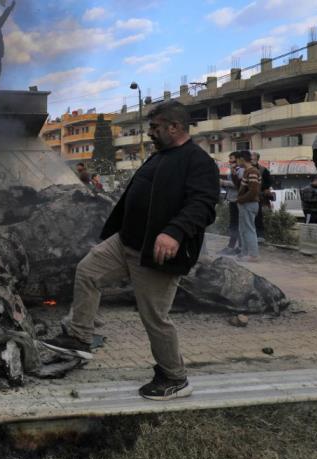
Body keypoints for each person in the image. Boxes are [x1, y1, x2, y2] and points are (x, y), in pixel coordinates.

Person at [41, 101, 219, 401]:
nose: (150, 133)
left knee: (155, 318)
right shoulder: (160, 156)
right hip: (126, 242)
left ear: (174, 127)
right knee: (88, 271)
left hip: (157, 254)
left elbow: (203, 205)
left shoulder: (197, 161)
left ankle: (175, 377)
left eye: (155, 127)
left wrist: (174, 232)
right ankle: (79, 336)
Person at [236, 150, 261, 262]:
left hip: (249, 204)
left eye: (237, 159)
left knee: (249, 229)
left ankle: (253, 255)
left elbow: (253, 191)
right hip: (246, 204)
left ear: (242, 159)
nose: (236, 162)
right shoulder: (248, 171)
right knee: (243, 229)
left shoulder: (252, 172)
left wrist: (240, 199)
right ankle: (245, 253)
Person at [218, 152, 243, 255]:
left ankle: (235, 247)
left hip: (238, 200)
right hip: (232, 199)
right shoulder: (232, 171)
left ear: (237, 160)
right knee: (234, 224)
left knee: (236, 224)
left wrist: (224, 183)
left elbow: (239, 184)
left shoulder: (241, 171)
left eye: (232, 159)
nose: (230, 161)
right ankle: (234, 246)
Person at [251, 152, 273, 242]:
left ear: (257, 159)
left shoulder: (263, 170)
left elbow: (268, 183)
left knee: (258, 216)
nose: (251, 159)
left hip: (258, 196)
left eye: (252, 157)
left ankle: (260, 235)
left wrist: (263, 190)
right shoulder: (244, 169)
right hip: (246, 196)